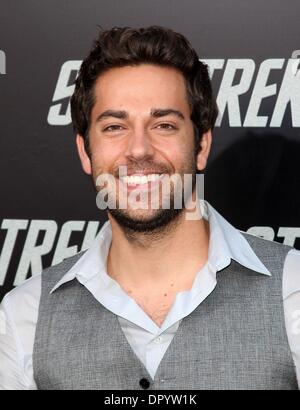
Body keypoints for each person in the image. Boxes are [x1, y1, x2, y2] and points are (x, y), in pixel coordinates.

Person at [0, 25, 299, 390]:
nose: (139, 150)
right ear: (84, 151)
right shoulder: (22, 317)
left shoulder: (293, 291)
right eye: (114, 127)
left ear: (202, 145)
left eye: (163, 125)